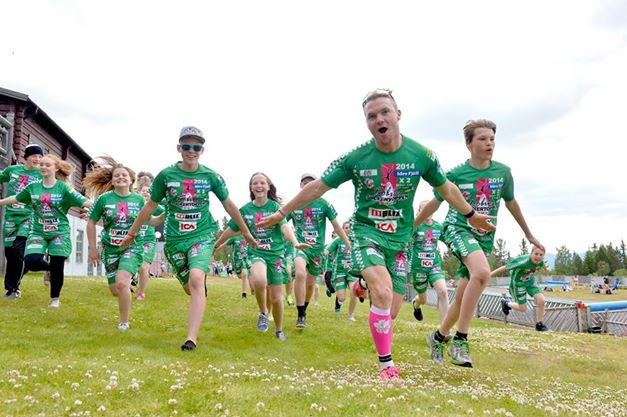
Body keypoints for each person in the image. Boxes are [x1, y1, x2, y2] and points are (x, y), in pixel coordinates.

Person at [257, 89, 493, 380]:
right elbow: (317, 187)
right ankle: (387, 366)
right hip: (365, 232)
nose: (379, 119)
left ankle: (362, 284)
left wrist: (471, 214)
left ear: (398, 115)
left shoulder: (422, 155)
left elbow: (446, 189)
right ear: (367, 124)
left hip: (400, 240)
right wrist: (282, 212)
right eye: (371, 116)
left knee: (391, 309)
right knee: (380, 292)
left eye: (384, 112)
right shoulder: (356, 158)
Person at [416, 118, 543, 368]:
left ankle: (438, 336)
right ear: (469, 143)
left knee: (462, 298)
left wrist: (528, 234)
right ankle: (461, 340)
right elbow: (434, 203)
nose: (489, 144)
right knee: (483, 272)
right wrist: (410, 227)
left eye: (492, 139)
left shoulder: (503, 172)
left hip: (484, 237)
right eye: (483, 139)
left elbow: (511, 203)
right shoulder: (454, 174)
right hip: (458, 228)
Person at [121, 126, 256, 351]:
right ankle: (198, 287)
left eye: (196, 147)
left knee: (195, 280)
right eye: (186, 146)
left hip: (201, 235)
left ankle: (191, 339)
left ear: (202, 150)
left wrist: (246, 231)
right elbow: (150, 206)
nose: (191, 151)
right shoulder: (166, 176)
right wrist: (132, 232)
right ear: (178, 148)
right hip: (175, 241)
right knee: (191, 287)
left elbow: (229, 205)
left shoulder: (210, 176)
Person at [215, 172, 309, 341]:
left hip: (275, 255)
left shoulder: (275, 208)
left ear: (268, 186)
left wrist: (295, 243)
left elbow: (285, 227)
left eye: (262, 183)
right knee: (259, 280)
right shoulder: (245, 210)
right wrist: (218, 243)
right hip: (256, 252)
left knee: (276, 297)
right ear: (251, 188)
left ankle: (279, 329)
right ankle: (263, 313)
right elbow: (231, 229)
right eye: (255, 183)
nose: (258, 186)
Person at [0, 154, 92, 307]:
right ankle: (51, 268)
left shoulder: (64, 188)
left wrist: (99, 207)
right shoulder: (33, 187)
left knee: (57, 261)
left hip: (58, 231)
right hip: (38, 230)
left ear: (55, 168)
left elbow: (84, 201)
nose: (43, 167)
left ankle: (54, 299)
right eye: (41, 165)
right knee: (32, 261)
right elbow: (16, 198)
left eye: (47, 165)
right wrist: (1, 202)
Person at [85, 157, 159, 330]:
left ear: (131, 180)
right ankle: (126, 281)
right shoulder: (103, 199)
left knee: (121, 283)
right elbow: (90, 222)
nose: (120, 178)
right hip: (110, 248)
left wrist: (164, 216)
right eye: (116, 175)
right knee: (115, 290)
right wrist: (92, 248)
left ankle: (124, 322)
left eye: (124, 175)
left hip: (132, 247)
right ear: (112, 180)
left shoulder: (139, 200)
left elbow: (150, 221)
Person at [286, 173, 350, 328]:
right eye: (304, 183)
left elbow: (337, 226)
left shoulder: (325, 205)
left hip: (317, 251)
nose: (308, 185)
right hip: (301, 247)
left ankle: (304, 309)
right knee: (300, 273)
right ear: (301, 186)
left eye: (311, 182)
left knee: (310, 284)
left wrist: (348, 244)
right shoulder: (294, 204)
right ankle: (300, 314)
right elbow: (281, 223)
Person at [0, 144, 43, 299]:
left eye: (39, 156)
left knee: (19, 248)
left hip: (29, 216)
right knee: (10, 253)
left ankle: (13, 289)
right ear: (26, 157)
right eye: (34, 156)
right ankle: (24, 269)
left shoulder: (42, 174)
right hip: (11, 216)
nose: (37, 159)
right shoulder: (12, 170)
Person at [492, 245, 548, 331]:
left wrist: (545, 269)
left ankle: (539, 324)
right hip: (518, 283)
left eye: (541, 255)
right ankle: (506, 303)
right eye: (536, 254)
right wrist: (489, 274)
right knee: (523, 308)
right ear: (531, 253)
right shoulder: (523, 261)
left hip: (530, 281)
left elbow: (542, 263)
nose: (538, 257)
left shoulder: (540, 261)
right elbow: (505, 268)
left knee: (541, 300)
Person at [409, 200, 448, 324]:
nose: (427, 210)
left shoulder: (438, 227)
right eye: (423, 208)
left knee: (443, 291)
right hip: (418, 268)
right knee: (423, 299)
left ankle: (444, 330)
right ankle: (416, 304)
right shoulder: (416, 226)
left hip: (434, 266)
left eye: (430, 207)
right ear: (419, 212)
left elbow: (449, 240)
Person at [135, 182, 165, 300]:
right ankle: (130, 281)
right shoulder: (133, 204)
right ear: (139, 192)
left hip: (148, 240)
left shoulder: (156, 207)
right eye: (144, 190)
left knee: (143, 267)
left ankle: (141, 292)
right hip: (134, 240)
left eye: (149, 191)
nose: (146, 193)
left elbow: (169, 212)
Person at [326, 222, 358, 320]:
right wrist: (323, 253)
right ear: (342, 229)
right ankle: (338, 298)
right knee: (341, 298)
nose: (348, 229)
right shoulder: (338, 240)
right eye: (346, 228)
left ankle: (351, 315)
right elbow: (327, 250)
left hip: (351, 271)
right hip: (339, 271)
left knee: (354, 292)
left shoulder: (356, 241)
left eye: (350, 228)